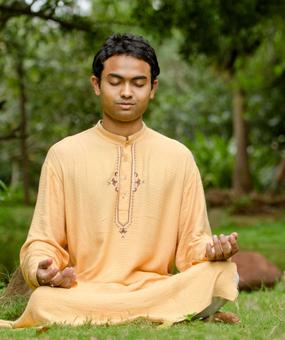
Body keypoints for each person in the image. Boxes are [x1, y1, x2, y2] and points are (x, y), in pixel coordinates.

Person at [0, 33, 239, 329]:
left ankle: (148, 311)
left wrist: (212, 251)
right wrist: (41, 270)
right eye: (115, 82)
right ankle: (175, 313)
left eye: (138, 83)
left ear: (153, 89)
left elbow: (193, 244)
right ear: (96, 85)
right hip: (85, 291)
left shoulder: (179, 157)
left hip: (156, 287)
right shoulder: (63, 154)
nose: (127, 92)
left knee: (222, 272)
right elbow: (42, 241)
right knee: (43, 301)